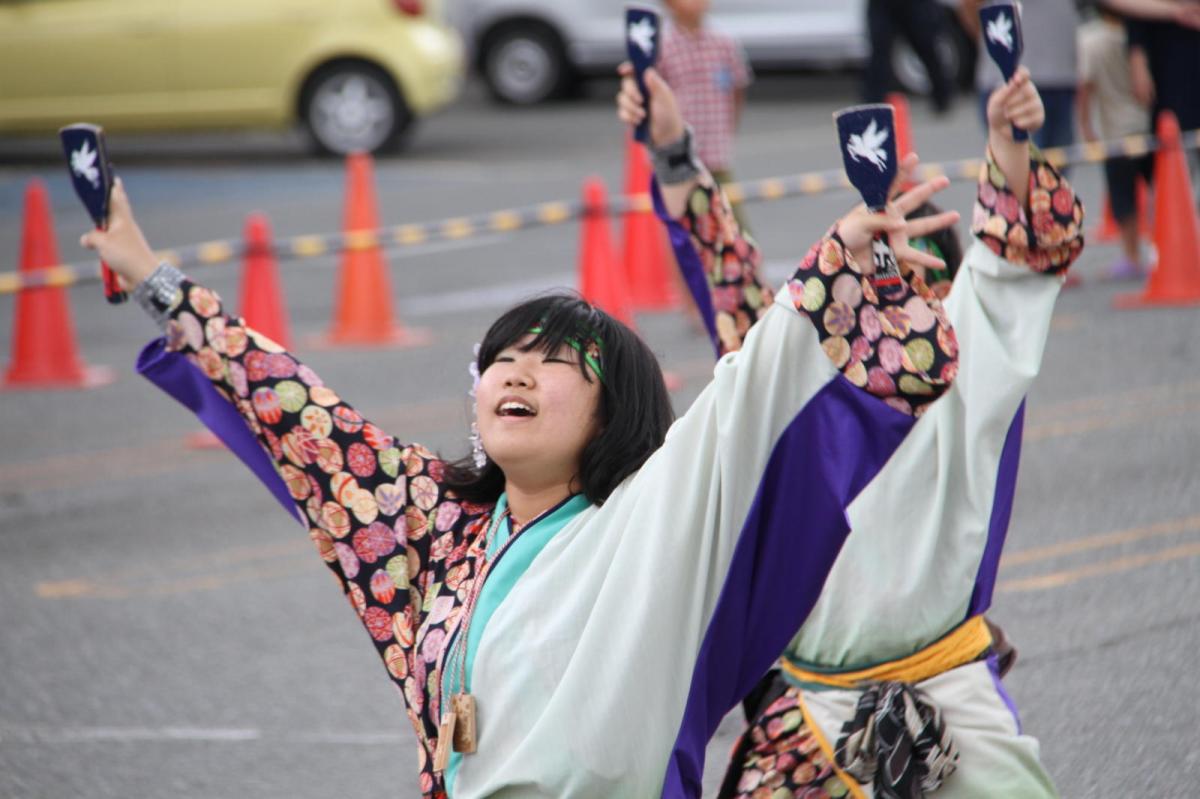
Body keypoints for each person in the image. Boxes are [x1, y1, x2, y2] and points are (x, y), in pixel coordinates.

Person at [80, 108, 961, 795]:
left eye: (553, 365)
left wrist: (843, 257)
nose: (518, 374)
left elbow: (748, 389)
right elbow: (303, 413)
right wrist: (156, 278)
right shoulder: (434, 527)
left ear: (613, 411)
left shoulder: (649, 522)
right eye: (503, 358)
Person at [628, 64, 1082, 797]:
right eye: (881, 276)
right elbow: (729, 272)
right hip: (806, 725)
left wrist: (1009, 143)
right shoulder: (800, 396)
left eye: (922, 280)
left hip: (954, 707)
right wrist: (675, 149)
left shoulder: (970, 386)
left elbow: (1014, 266)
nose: (903, 300)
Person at [656, 0, 754, 230]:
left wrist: (729, 127)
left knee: (733, 223)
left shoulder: (723, 42)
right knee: (685, 225)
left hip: (716, 152)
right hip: (680, 156)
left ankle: (747, 264)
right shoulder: (663, 46)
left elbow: (738, 88)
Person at [1078, 5, 1153, 280]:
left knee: (1123, 199)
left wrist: (1086, 125)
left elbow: (1085, 87)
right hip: (1146, 124)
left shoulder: (1091, 40)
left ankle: (1131, 254)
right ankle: (1160, 248)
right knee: (1157, 190)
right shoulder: (1139, 37)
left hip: (1114, 131)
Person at [862, 0, 955, 113]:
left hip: (912, 4)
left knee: (926, 46)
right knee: (879, 52)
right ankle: (874, 105)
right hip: (882, 5)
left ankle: (942, 96)